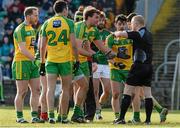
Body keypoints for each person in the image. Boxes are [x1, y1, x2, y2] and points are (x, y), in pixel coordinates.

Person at [74, 6, 117, 121]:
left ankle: (77, 114)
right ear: (88, 17)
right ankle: (62, 115)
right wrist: (94, 56)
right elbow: (78, 49)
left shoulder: (93, 30)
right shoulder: (79, 27)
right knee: (73, 88)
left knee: (83, 88)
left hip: (82, 61)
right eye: (96, 17)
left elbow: (102, 48)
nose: (98, 20)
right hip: (69, 60)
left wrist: (115, 55)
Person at [39, 0, 79, 124]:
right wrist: (77, 60)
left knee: (50, 88)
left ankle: (51, 116)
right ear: (65, 9)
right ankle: (63, 117)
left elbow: (41, 46)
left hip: (50, 60)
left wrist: (42, 62)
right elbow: (73, 45)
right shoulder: (69, 23)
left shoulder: (47, 23)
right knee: (65, 89)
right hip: (65, 61)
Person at [126, 13, 168, 123]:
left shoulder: (136, 34)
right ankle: (158, 110)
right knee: (142, 93)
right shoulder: (143, 34)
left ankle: (136, 117)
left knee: (137, 92)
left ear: (134, 23)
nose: (129, 25)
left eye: (130, 23)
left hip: (135, 66)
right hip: (143, 65)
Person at [113, 15, 154, 125]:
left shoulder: (136, 34)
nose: (131, 26)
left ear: (136, 24)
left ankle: (121, 118)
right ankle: (148, 120)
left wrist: (114, 34)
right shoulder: (150, 34)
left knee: (127, 91)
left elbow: (121, 33)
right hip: (149, 67)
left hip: (138, 66)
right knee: (147, 94)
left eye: (132, 23)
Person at [12, 6, 42, 123]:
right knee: (22, 91)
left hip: (32, 63)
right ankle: (19, 117)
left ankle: (34, 116)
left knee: (36, 90)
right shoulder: (20, 29)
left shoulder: (32, 29)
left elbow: (31, 48)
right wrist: (35, 59)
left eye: (37, 15)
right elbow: (23, 49)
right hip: (21, 62)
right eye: (35, 15)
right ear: (28, 16)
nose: (37, 17)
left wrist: (36, 59)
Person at [106, 14, 133, 122]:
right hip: (115, 68)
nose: (122, 26)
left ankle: (124, 115)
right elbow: (107, 54)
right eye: (119, 24)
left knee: (130, 94)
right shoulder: (111, 37)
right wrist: (116, 64)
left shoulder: (131, 36)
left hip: (129, 68)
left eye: (124, 24)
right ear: (115, 24)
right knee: (116, 94)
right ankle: (117, 116)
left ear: (127, 24)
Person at [91, 11, 111, 120]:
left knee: (107, 90)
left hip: (106, 64)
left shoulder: (108, 34)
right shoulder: (92, 32)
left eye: (103, 20)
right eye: (99, 19)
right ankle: (98, 112)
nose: (101, 21)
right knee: (95, 90)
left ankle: (98, 105)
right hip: (95, 63)